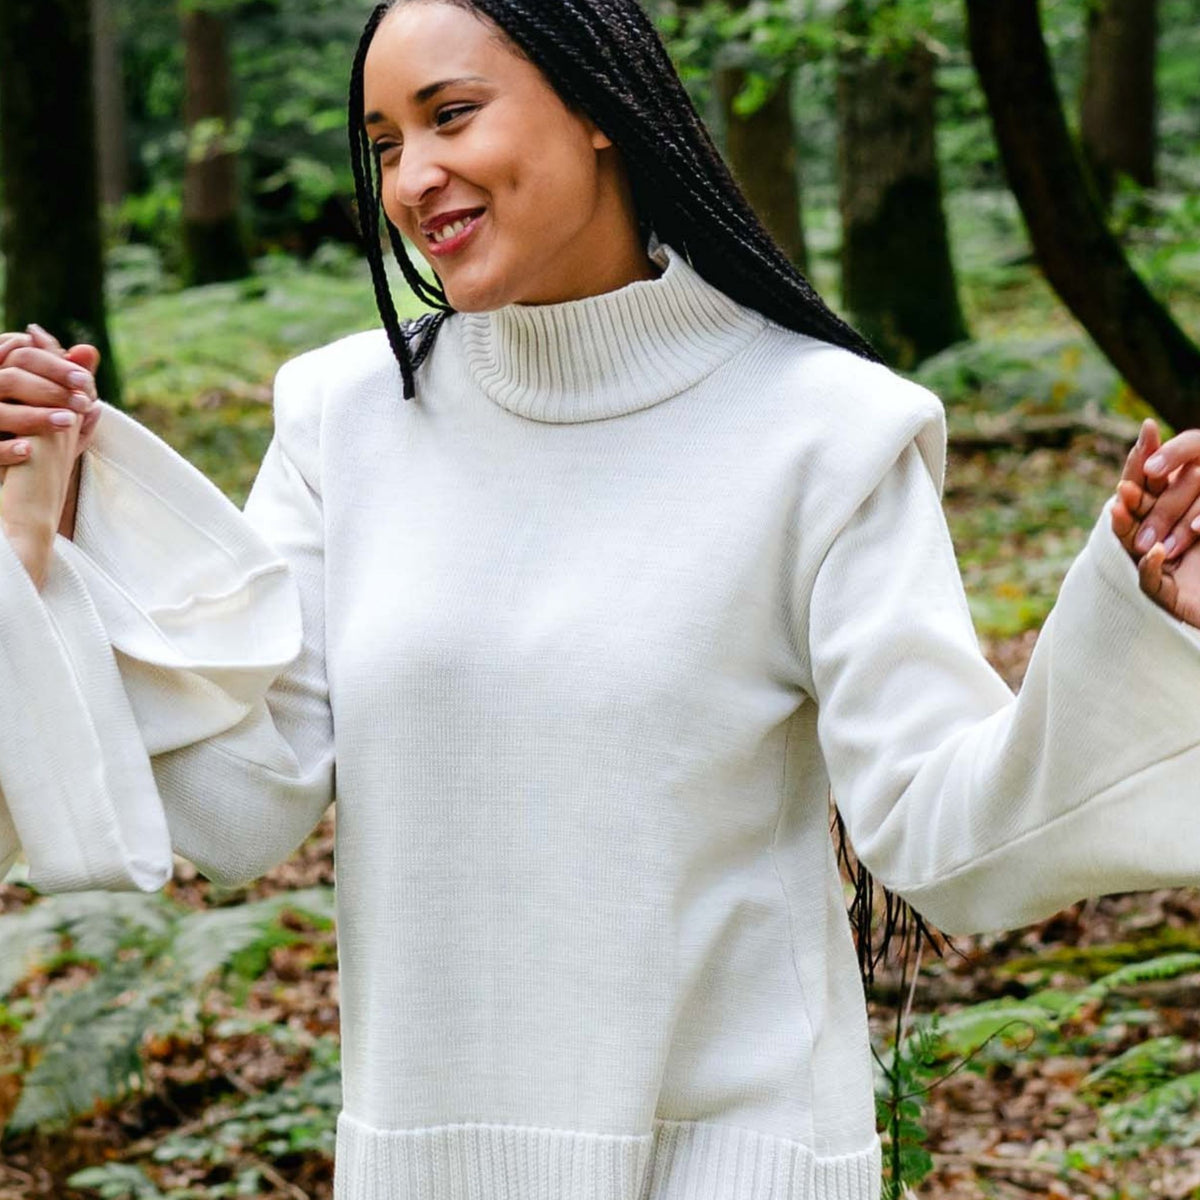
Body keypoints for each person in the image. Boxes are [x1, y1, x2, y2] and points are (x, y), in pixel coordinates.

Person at [2, 2, 1200, 1197]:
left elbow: (948, 842)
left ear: (596, 112)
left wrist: (1137, 620)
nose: (413, 178)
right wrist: (46, 535)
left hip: (738, 1166)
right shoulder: (343, 422)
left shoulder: (826, 434)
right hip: (428, 1167)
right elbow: (235, 810)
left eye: (450, 115)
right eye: (381, 145)